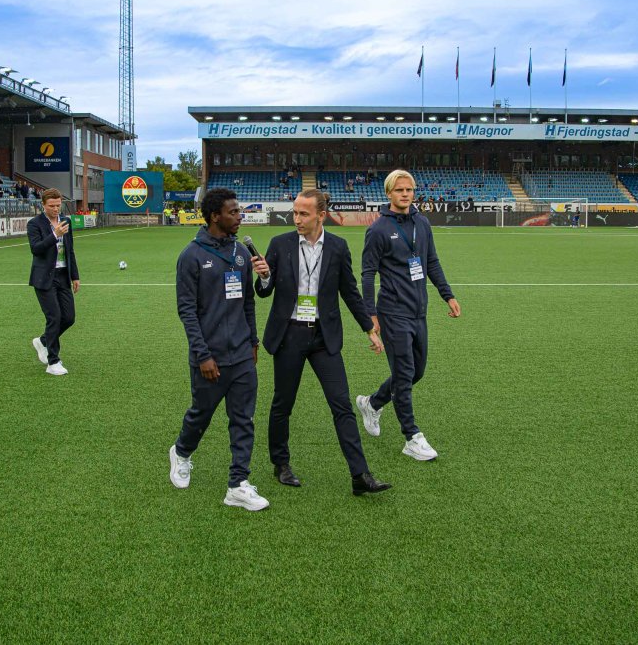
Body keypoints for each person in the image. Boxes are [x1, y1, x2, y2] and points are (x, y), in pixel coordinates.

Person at [252, 189, 392, 496]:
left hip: (323, 337)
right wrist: (263, 277)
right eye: (295, 212)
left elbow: (350, 291)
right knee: (283, 404)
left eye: (303, 213)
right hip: (288, 335)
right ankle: (281, 463)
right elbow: (264, 291)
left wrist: (369, 328)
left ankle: (360, 474)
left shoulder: (338, 247)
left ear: (321, 215)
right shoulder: (280, 244)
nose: (296, 219)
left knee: (341, 405)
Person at [169, 187, 268, 511]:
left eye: (239, 211)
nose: (240, 217)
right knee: (201, 414)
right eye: (233, 212)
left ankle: (238, 484)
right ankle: (181, 452)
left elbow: (248, 302)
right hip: (209, 358)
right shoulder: (191, 256)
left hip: (241, 354)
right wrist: (203, 355)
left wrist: (253, 341)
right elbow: (187, 311)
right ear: (215, 216)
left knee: (243, 419)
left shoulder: (240, 252)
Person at [356, 169, 461, 461]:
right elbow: (367, 274)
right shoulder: (378, 229)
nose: (405, 194)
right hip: (392, 311)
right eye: (399, 190)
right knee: (403, 374)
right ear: (389, 193)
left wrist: (448, 295)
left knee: (416, 372)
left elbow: (431, 262)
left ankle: (372, 403)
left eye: (409, 190)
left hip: (418, 310)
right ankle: (412, 437)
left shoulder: (422, 223)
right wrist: (370, 314)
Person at [27, 188, 80, 376]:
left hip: (63, 275)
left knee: (69, 318)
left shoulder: (66, 221)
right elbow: (36, 249)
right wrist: (55, 235)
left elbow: (70, 250)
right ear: (43, 205)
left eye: (58, 205)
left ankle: (43, 341)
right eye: (52, 206)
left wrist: (75, 276)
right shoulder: (34, 224)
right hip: (44, 277)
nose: (56, 209)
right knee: (54, 317)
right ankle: (53, 361)